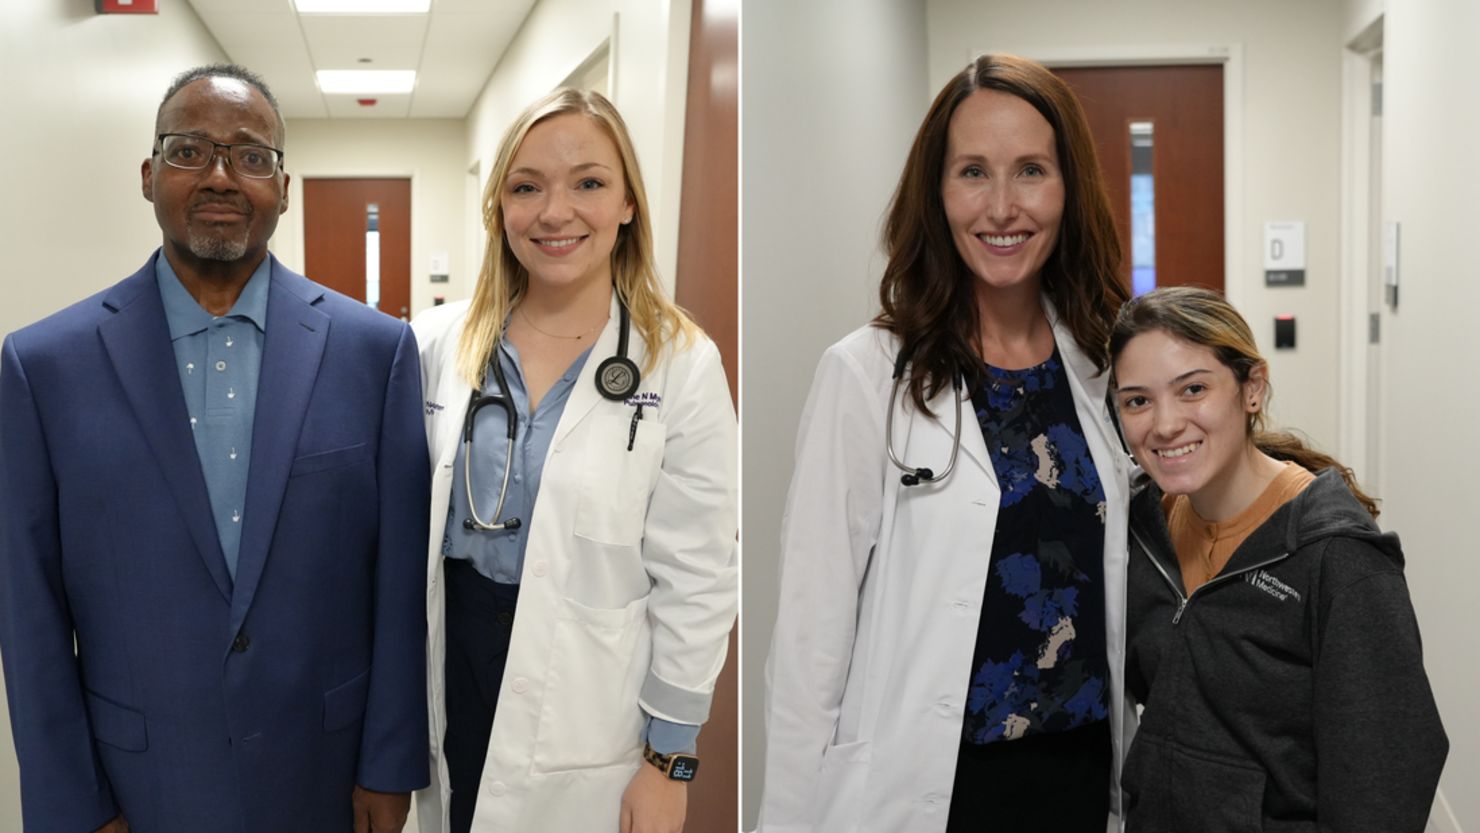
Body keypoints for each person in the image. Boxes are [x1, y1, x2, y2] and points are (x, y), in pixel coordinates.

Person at [0, 64, 430, 833]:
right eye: (190, 150)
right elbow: (27, 611)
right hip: (138, 783)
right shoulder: (43, 367)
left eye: (251, 155)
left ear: (285, 187)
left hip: (325, 776)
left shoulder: (377, 353)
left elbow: (397, 585)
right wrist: (73, 804)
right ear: (149, 173)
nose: (222, 176)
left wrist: (389, 761)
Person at [759, 54, 1135, 833]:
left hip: (1080, 771)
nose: (1002, 207)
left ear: (1069, 189)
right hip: (931, 784)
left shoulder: (1103, 363)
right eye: (972, 172)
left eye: (1031, 170)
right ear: (937, 193)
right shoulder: (866, 375)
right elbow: (808, 637)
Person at [410, 88, 737, 833]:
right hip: (448, 655)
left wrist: (669, 762)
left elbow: (700, 580)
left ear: (627, 204)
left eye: (588, 183)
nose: (556, 213)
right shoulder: (436, 343)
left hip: (593, 700)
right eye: (527, 187)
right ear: (499, 208)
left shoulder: (679, 362)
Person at [1109, 286, 1447, 832]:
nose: (1165, 424)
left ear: (1252, 389)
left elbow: (1383, 784)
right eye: (1137, 400)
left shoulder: (1337, 558)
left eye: (1193, 389)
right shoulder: (1146, 531)